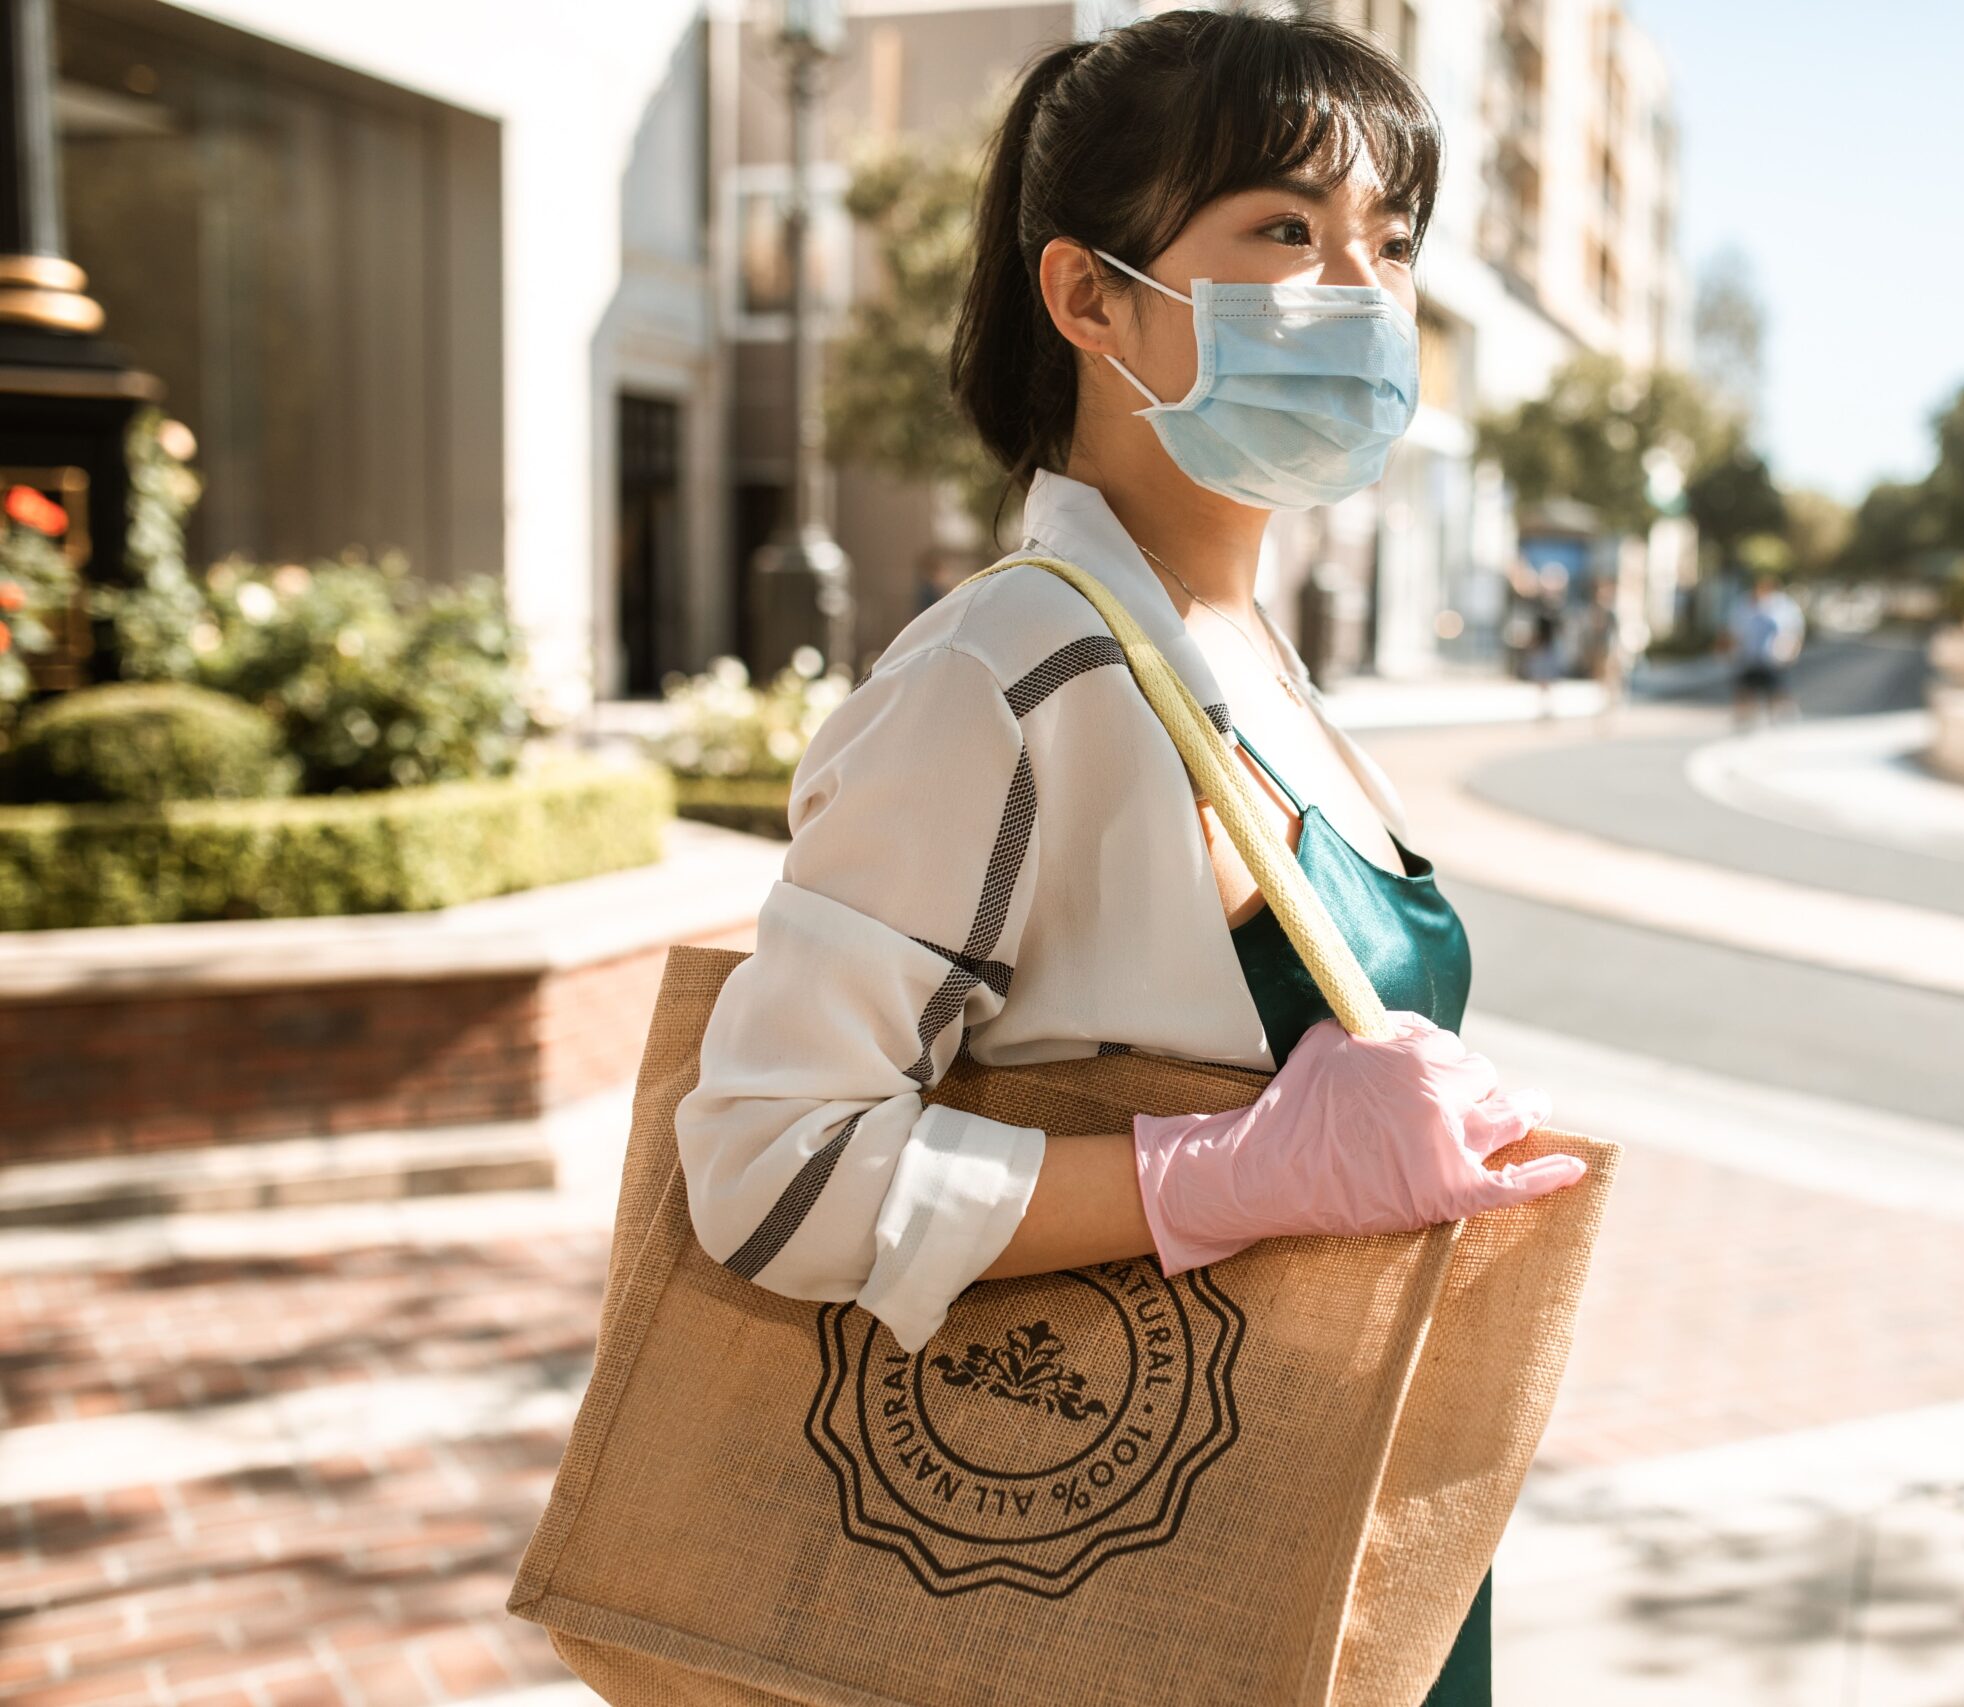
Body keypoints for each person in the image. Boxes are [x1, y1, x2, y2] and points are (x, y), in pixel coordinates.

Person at [672, 14, 1582, 1702]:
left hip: (1338, 1519)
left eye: (1391, 243)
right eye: (1288, 230)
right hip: (1139, 1565)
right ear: (1089, 297)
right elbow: (770, 1169)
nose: (1363, 293)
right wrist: (1225, 1172)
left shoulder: (1254, 657)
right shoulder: (1002, 670)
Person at [1731, 572, 1804, 730]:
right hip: (1749, 657)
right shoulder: (1744, 604)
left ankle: (1780, 720)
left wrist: (1792, 650)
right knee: (1746, 690)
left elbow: (1794, 630)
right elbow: (1735, 630)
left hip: (1774, 658)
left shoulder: (1784, 606)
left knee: (1775, 691)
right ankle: (1744, 724)